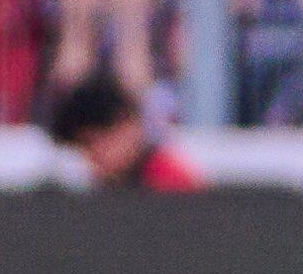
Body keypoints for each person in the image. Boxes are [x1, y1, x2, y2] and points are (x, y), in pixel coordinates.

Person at [49, 71, 198, 190]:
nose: (92, 160)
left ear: (126, 123)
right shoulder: (109, 186)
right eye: (83, 150)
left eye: (92, 144)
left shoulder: (170, 181)